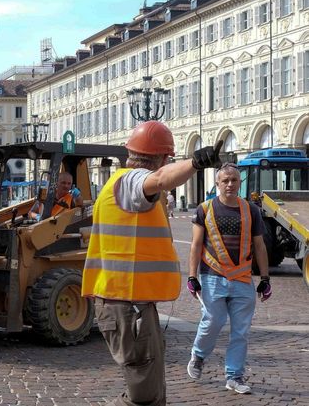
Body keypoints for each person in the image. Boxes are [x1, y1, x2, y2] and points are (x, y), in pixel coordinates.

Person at [82, 121, 223, 406]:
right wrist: (196, 162)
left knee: (152, 388)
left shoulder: (117, 183)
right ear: (164, 158)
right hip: (125, 304)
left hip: (128, 302)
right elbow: (158, 181)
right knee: (143, 395)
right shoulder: (131, 182)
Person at [186, 162, 271, 395]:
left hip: (243, 279)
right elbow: (195, 245)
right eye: (225, 180)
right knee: (213, 321)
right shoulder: (204, 209)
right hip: (213, 276)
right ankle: (199, 355)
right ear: (217, 183)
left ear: (240, 183)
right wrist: (192, 277)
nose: (230, 184)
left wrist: (265, 278)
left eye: (234, 180)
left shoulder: (251, 210)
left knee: (241, 331)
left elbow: (259, 245)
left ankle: (234, 376)